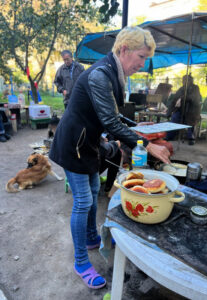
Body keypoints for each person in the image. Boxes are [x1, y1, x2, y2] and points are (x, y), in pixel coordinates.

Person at [49, 26, 170, 290]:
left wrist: (139, 126)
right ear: (124, 49)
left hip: (88, 143)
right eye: (141, 56)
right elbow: (111, 123)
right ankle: (81, 262)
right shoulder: (101, 75)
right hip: (73, 145)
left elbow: (113, 115)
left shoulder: (112, 73)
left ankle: (92, 238)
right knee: (82, 201)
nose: (143, 64)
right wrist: (147, 145)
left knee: (93, 190)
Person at [166, 74, 201, 145]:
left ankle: (191, 137)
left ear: (190, 81)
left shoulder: (195, 88)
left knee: (190, 120)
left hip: (192, 110)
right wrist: (169, 111)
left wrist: (182, 98)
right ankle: (170, 136)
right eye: (183, 80)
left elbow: (193, 98)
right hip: (181, 110)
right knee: (174, 117)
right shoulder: (181, 88)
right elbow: (174, 100)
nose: (184, 82)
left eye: (186, 80)